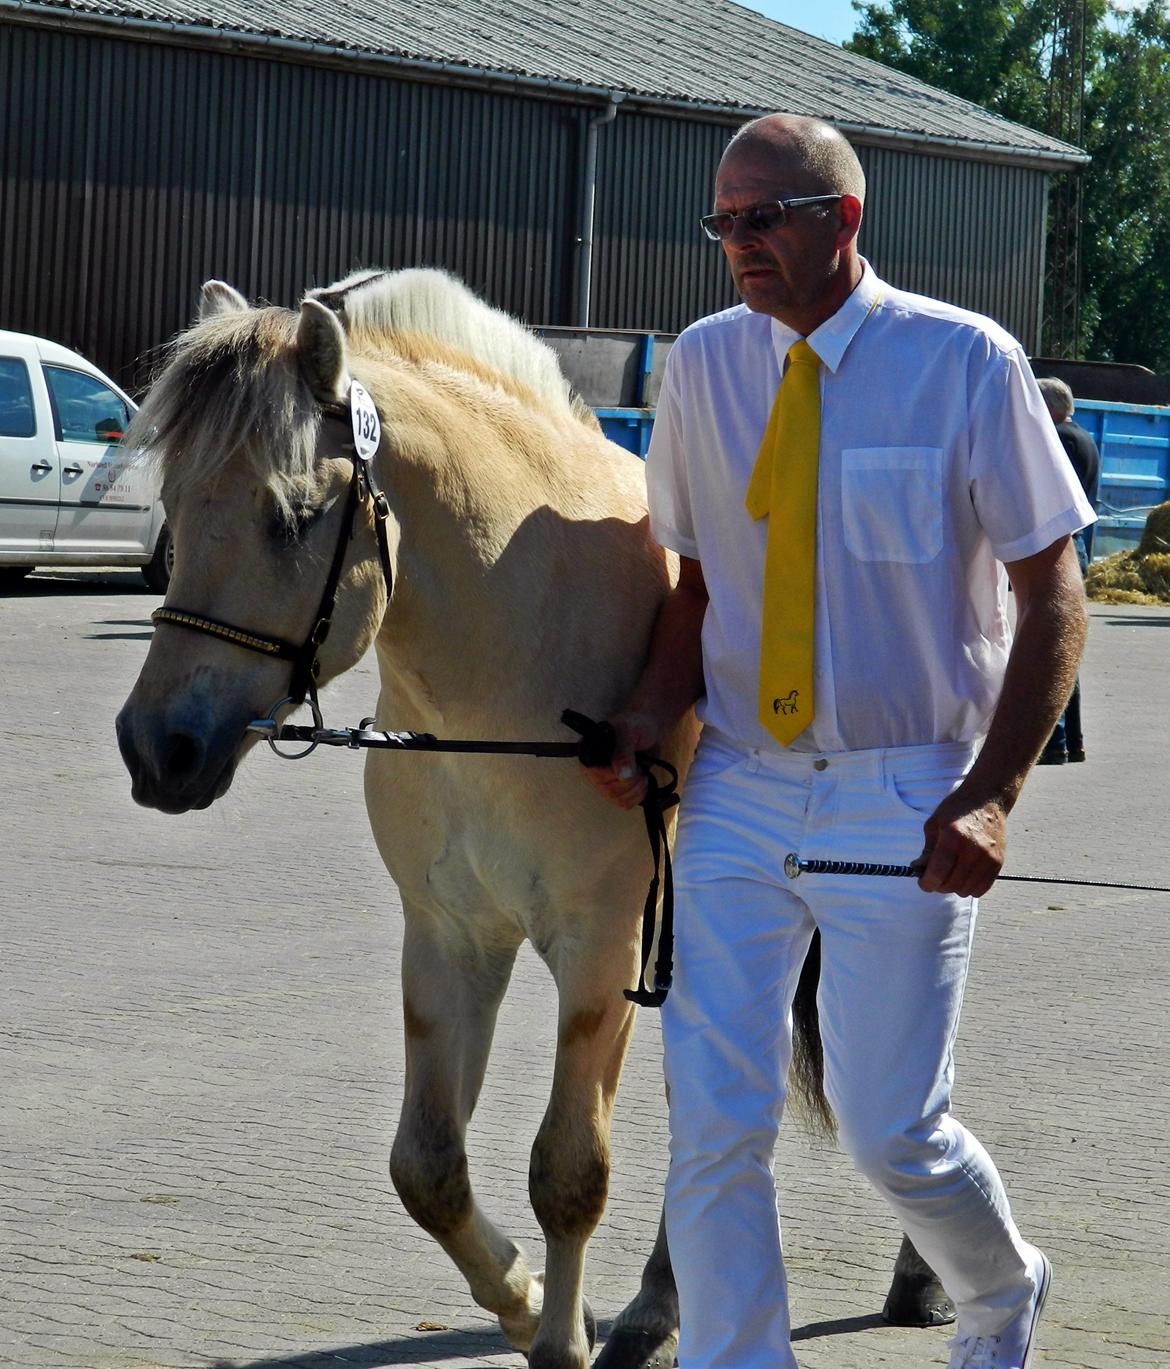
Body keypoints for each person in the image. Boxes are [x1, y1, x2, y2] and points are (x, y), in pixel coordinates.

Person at [587, 114, 1093, 1369]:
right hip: (741, 788)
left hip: (911, 786)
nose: (737, 244)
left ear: (843, 218)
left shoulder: (966, 362)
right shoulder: (702, 368)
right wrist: (651, 717)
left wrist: (990, 795)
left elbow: (1058, 597)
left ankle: (1003, 1288)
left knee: (889, 1130)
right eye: (723, 222)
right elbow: (698, 593)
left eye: (764, 217)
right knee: (713, 1123)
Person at [1035, 376, 1100, 764]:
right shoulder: (1085, 438)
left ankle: (1054, 740)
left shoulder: (1060, 439)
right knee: (1063, 645)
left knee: (1047, 644)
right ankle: (1072, 740)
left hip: (1060, 542)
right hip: (1079, 542)